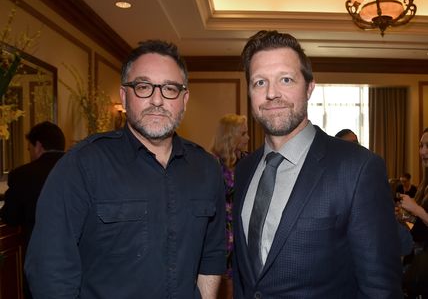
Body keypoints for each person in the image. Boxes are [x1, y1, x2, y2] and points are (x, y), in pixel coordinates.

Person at [24, 40, 226, 299]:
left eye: (170, 89)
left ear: (184, 99)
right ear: (124, 96)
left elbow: (212, 253)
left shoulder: (207, 168)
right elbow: (49, 270)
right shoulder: (82, 165)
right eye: (143, 87)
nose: (157, 100)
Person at [233, 30, 402, 298]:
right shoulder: (243, 170)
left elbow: (380, 289)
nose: (272, 93)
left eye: (286, 79)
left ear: (309, 88)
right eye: (259, 82)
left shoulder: (358, 168)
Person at [0, 121, 65, 299]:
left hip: (40, 260)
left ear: (38, 146)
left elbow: (10, 217)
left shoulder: (22, 175)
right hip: (82, 260)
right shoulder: (83, 169)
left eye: (29, 149)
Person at [211, 114, 249, 297]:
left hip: (244, 233)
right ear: (230, 136)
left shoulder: (249, 162)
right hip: (220, 234)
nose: (248, 139)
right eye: (243, 134)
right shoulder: (211, 164)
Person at [398, 128, 428, 298]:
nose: (423, 151)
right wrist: (406, 216)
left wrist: (415, 208)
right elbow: (421, 229)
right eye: (421, 145)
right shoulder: (425, 184)